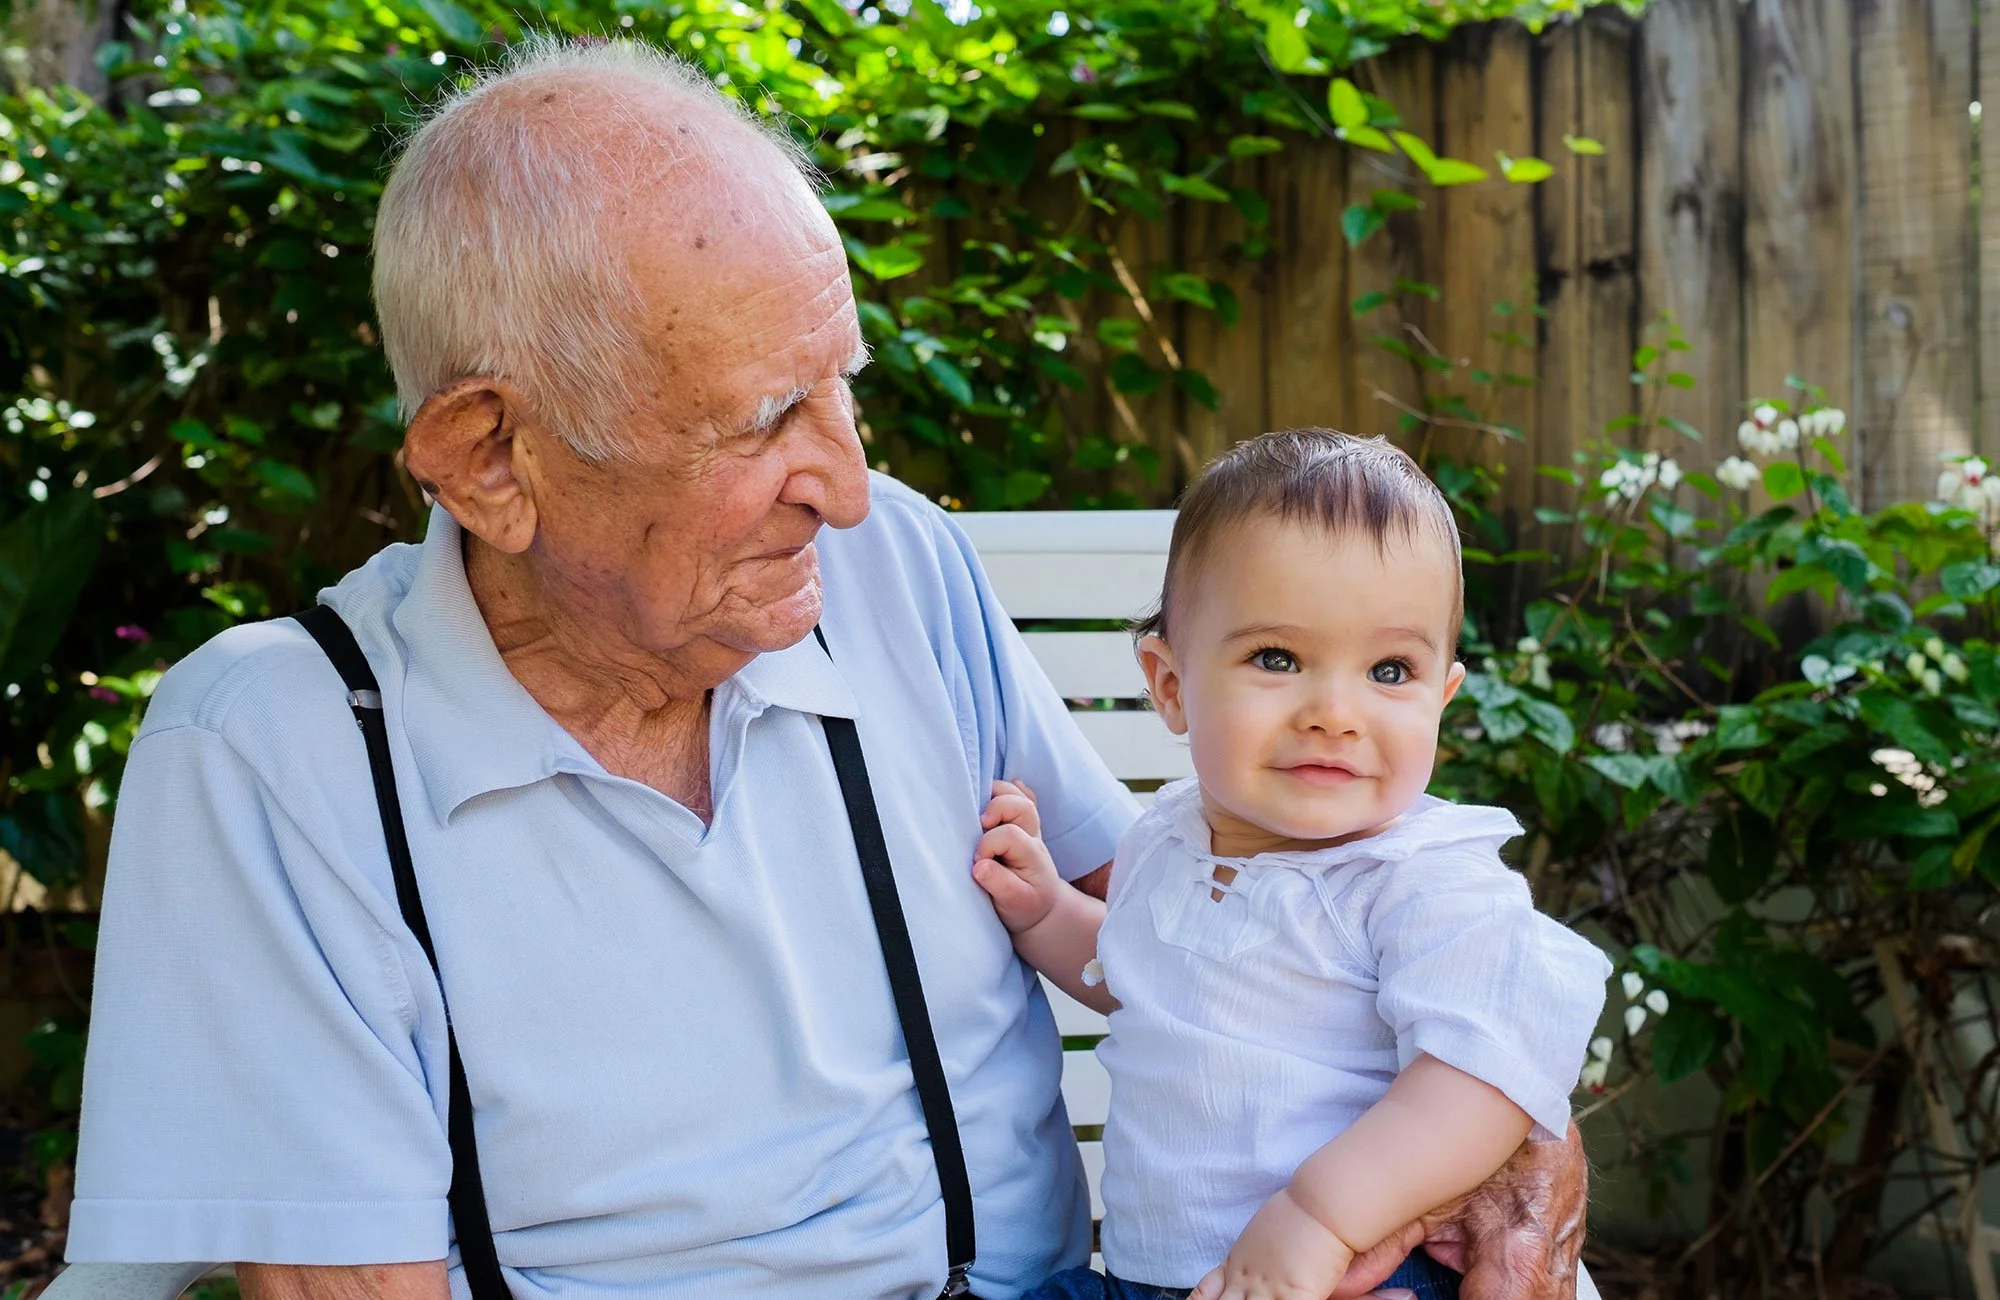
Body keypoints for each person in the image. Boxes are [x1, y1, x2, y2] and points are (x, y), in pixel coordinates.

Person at [66, 35, 1597, 1300]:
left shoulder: (891, 566)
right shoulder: (279, 751)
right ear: (491, 459)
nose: (851, 488)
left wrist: (1502, 1114)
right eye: (765, 418)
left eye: (841, 389)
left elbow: (1232, 916)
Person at [973, 431, 1611, 1300]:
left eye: (1390, 670)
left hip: (1357, 1273)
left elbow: (1482, 1082)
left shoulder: (1424, 881)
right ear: (1170, 684)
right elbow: (1140, 978)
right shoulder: (1169, 840)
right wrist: (1046, 912)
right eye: (1277, 658)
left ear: (1443, 698)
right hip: (1149, 1276)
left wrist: (1319, 1217)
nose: (1335, 713)